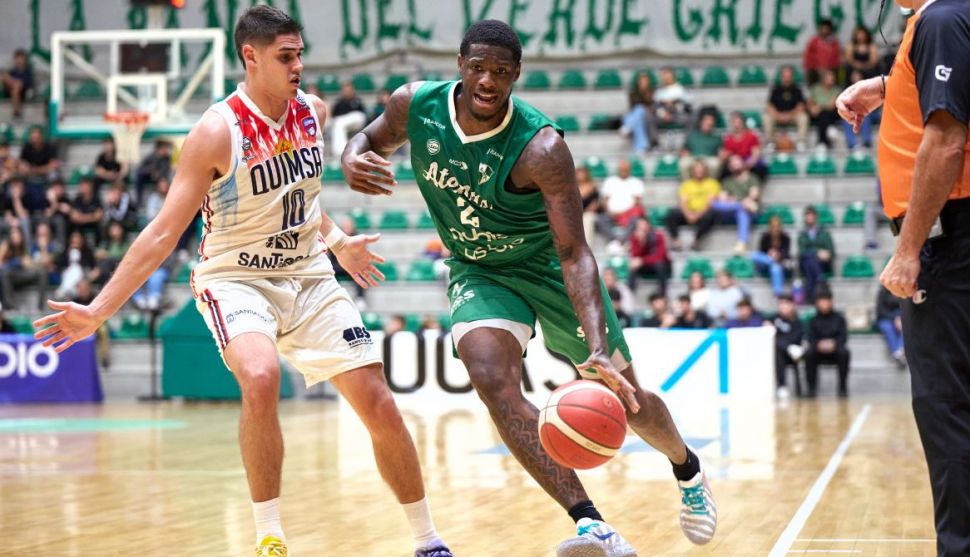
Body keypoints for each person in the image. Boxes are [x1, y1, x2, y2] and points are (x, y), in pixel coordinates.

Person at [33, 7, 454, 557]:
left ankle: (428, 541)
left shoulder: (313, 112)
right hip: (235, 278)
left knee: (378, 400)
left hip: (307, 275)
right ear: (250, 57)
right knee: (259, 376)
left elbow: (300, 198)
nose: (298, 66)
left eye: (300, 54)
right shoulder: (215, 132)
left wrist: (338, 241)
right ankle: (269, 536)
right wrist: (98, 310)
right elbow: (161, 233)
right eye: (286, 56)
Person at [341, 19, 717, 555]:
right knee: (491, 380)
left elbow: (575, 252)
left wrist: (595, 347)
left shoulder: (541, 147)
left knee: (628, 400)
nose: (487, 81)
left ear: (516, 74)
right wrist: (351, 155)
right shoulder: (415, 106)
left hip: (549, 268)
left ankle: (687, 468)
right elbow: (369, 138)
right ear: (460, 65)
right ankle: (592, 524)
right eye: (477, 67)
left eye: (500, 71)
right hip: (479, 268)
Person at [838, 0, 970, 549]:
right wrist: (889, 86)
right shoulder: (949, 21)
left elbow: (946, 140)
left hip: (951, 240)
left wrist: (910, 248)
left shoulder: (941, 19)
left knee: (947, 407)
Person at [804, 288, 850, 397]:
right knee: (809, 353)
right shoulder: (813, 320)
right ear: (817, 303)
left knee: (844, 353)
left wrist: (834, 344)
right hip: (818, 351)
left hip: (835, 351)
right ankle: (811, 389)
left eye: (826, 301)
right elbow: (810, 338)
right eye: (821, 301)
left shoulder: (839, 319)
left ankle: (842, 388)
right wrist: (818, 344)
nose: (824, 304)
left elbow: (843, 337)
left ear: (831, 301)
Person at [666, 159, 719, 251]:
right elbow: (683, 202)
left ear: (705, 170)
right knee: (671, 214)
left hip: (703, 214)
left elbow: (710, 203)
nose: (699, 171)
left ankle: (696, 241)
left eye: (701, 169)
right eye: (696, 169)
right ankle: (676, 241)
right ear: (692, 171)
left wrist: (697, 215)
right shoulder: (686, 184)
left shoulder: (713, 184)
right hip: (688, 213)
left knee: (712, 215)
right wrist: (688, 214)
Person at [713, 154, 761, 253]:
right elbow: (722, 199)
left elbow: (753, 195)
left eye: (736, 161)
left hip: (749, 212)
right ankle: (740, 206)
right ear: (729, 167)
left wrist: (734, 200)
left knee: (742, 212)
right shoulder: (727, 181)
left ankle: (742, 242)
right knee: (714, 204)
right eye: (732, 163)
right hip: (734, 210)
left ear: (742, 163)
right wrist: (741, 203)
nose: (734, 164)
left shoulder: (752, 178)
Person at [766, 293, 804, 398]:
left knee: (780, 346)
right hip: (778, 353)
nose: (783, 307)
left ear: (792, 305)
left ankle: (783, 387)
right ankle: (781, 386)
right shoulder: (773, 319)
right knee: (777, 349)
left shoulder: (797, 322)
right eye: (781, 304)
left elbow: (796, 338)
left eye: (786, 304)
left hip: (794, 356)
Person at [0, 225, 46, 310]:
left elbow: (29, 264)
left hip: (21, 275)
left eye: (17, 233)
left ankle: (41, 306)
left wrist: (42, 249)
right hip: (9, 276)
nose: (14, 235)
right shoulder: (5, 245)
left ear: (21, 235)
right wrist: (16, 262)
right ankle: (9, 306)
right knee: (4, 274)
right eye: (12, 233)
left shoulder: (24, 247)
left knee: (42, 272)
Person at [797, 206, 835, 303]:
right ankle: (821, 283)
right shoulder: (802, 235)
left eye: (811, 215)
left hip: (823, 263)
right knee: (809, 259)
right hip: (806, 263)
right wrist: (817, 253)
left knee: (811, 265)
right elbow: (802, 252)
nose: (809, 218)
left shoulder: (824, 233)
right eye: (807, 216)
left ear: (816, 217)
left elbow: (831, 251)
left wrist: (826, 254)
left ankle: (810, 298)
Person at [764, 66, 809, 148]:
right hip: (778, 116)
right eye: (785, 76)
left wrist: (790, 115)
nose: (787, 79)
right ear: (781, 77)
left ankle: (801, 142)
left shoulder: (797, 90)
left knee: (803, 117)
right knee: (767, 117)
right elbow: (770, 106)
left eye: (789, 77)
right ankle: (770, 142)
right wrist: (778, 115)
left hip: (793, 116)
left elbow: (801, 106)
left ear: (792, 77)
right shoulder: (775, 90)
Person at [627, 216, 670, 295]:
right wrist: (641, 242)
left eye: (644, 225)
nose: (642, 228)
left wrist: (642, 260)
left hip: (660, 266)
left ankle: (662, 293)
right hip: (644, 266)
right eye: (639, 226)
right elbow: (635, 256)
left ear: (649, 225)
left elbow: (660, 256)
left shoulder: (658, 236)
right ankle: (629, 293)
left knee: (659, 265)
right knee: (633, 267)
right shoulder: (634, 238)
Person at [752, 214, 793, 296]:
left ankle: (778, 294)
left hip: (780, 263)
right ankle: (771, 260)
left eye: (777, 226)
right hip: (766, 262)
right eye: (773, 227)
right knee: (754, 255)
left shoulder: (786, 238)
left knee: (775, 268)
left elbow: (786, 253)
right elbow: (761, 252)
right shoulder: (765, 237)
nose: (775, 229)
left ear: (781, 227)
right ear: (769, 227)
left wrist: (778, 255)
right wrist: (769, 255)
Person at [721, 111, 767, 182]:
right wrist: (733, 162)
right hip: (735, 162)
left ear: (743, 123)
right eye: (734, 122)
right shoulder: (728, 139)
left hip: (748, 160)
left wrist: (747, 164)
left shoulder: (751, 136)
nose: (736, 125)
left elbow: (756, 153)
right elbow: (728, 155)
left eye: (738, 122)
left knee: (760, 166)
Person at [600, 158, 645, 230]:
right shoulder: (609, 181)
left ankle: (623, 236)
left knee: (636, 219)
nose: (623, 171)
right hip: (610, 214)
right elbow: (605, 200)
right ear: (618, 169)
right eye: (622, 169)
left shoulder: (636, 182)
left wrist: (623, 213)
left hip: (629, 215)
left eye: (625, 169)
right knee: (601, 219)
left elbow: (637, 202)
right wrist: (610, 212)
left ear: (629, 169)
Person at [329, 81, 367, 157]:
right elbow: (334, 116)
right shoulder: (339, 103)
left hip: (357, 119)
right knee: (338, 125)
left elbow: (362, 114)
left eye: (349, 90)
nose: (347, 92)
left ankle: (339, 152)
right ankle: (340, 151)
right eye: (345, 90)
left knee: (339, 123)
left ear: (352, 90)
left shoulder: (357, 100)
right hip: (343, 123)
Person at [679, 112, 722, 178]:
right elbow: (683, 150)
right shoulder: (692, 136)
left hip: (708, 159)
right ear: (701, 122)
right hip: (694, 158)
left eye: (711, 122)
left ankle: (711, 183)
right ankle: (687, 183)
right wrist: (683, 153)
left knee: (715, 164)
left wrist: (722, 155)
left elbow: (721, 152)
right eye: (706, 121)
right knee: (683, 163)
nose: (709, 123)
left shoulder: (717, 138)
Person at [807, 70, 843, 149]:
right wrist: (812, 109)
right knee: (822, 115)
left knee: (824, 114)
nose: (832, 80)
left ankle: (822, 141)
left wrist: (819, 107)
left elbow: (832, 106)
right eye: (829, 78)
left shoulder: (836, 90)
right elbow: (810, 102)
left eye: (833, 78)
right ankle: (830, 127)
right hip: (818, 114)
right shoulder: (815, 88)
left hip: (832, 113)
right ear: (823, 79)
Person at [621, 72, 656, 153]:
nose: (644, 83)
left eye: (645, 81)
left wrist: (646, 94)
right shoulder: (633, 93)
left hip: (649, 116)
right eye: (642, 81)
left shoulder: (652, 92)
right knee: (635, 116)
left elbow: (651, 105)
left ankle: (627, 127)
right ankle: (641, 146)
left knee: (640, 110)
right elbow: (634, 104)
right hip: (637, 116)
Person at [841, 70, 874, 149]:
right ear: (851, 78)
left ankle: (866, 142)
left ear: (861, 78)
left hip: (869, 111)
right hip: (853, 112)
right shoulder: (847, 90)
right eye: (854, 77)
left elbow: (871, 102)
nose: (856, 79)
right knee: (847, 119)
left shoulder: (868, 88)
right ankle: (852, 144)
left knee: (865, 117)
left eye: (858, 77)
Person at [875, 284, 906, 368]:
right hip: (885, 318)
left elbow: (906, 309)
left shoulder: (904, 290)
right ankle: (898, 352)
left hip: (901, 319)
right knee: (888, 328)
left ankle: (897, 353)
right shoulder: (882, 292)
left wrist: (900, 318)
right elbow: (880, 311)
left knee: (905, 328)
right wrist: (894, 318)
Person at [803, 18, 841, 86]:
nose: (824, 31)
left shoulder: (834, 43)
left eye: (826, 29)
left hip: (830, 69)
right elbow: (808, 57)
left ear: (830, 30)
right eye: (822, 28)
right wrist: (816, 67)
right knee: (811, 73)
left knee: (835, 73)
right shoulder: (813, 41)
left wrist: (828, 68)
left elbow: (836, 58)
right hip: (815, 69)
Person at [134, 139, 173, 203]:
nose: (166, 150)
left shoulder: (167, 158)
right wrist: (150, 171)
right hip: (149, 176)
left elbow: (165, 170)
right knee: (139, 176)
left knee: (164, 183)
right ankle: (139, 200)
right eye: (165, 148)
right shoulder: (151, 156)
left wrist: (159, 175)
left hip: (161, 178)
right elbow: (140, 168)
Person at [69, 177, 103, 245]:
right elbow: (74, 217)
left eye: (86, 186)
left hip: (93, 225)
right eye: (83, 186)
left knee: (100, 227)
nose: (85, 188)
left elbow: (99, 215)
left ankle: (99, 246)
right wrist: (91, 216)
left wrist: (82, 217)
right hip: (80, 225)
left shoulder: (96, 199)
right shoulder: (77, 200)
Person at [1, 49, 34, 119]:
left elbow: (28, 84)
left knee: (16, 87)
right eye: (17, 59)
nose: (19, 61)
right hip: (9, 90)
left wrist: (17, 83)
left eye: (21, 59)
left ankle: (16, 112)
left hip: (22, 92)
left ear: (25, 60)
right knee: (4, 77)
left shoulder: (27, 72)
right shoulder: (13, 71)